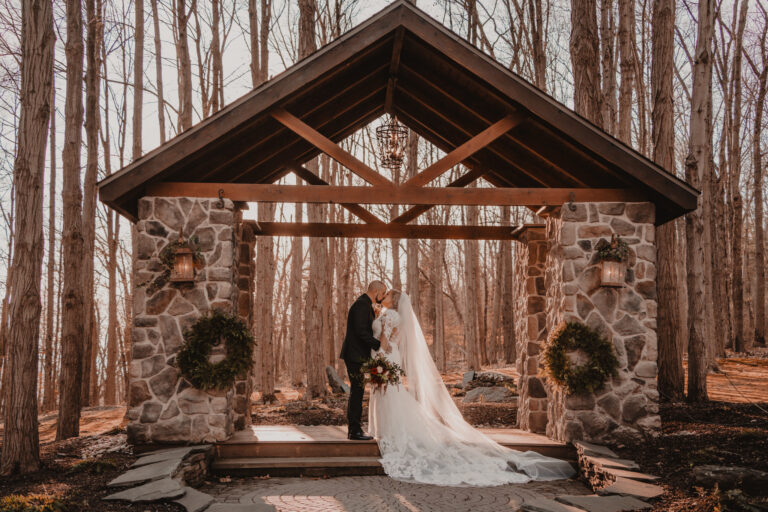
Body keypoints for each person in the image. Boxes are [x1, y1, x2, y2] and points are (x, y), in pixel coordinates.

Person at [368, 289, 576, 486]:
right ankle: (389, 430)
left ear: (393, 300)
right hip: (391, 355)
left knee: (389, 394)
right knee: (392, 394)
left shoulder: (390, 315)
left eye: (387, 295)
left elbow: (384, 342)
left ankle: (389, 431)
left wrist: (377, 356)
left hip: (385, 355)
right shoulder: (392, 314)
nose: (383, 296)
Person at [339, 280, 386, 440]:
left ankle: (355, 429)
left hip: (358, 355)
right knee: (357, 392)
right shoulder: (361, 305)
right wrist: (378, 345)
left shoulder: (366, 305)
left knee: (358, 391)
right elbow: (360, 331)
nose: (383, 296)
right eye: (383, 293)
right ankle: (354, 430)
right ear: (376, 292)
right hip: (354, 355)